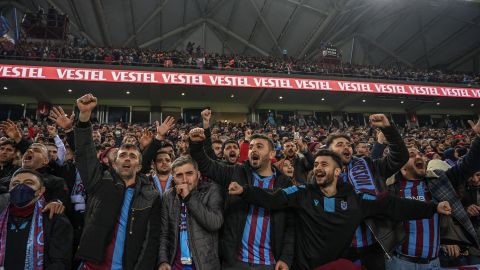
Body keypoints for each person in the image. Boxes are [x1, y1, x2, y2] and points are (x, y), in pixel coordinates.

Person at [228, 150, 452, 270]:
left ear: (338, 172)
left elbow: (393, 206)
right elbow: (273, 199)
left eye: (324, 165)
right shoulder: (301, 193)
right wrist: (245, 191)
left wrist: (433, 207)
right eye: (315, 165)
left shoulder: (356, 200)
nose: (317, 168)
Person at [74, 94, 161, 269]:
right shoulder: (99, 181)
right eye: (122, 155)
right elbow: (85, 154)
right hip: (91, 265)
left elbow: (151, 240)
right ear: (115, 163)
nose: (127, 159)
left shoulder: (151, 195)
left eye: (132, 156)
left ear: (139, 165)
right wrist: (84, 118)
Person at [189, 128, 294, 270]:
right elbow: (207, 166)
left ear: (272, 154)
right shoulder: (236, 172)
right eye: (251, 147)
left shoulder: (285, 183)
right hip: (235, 261)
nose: (253, 150)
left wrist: (286, 258)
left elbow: (290, 225)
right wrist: (196, 145)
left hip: (270, 263)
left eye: (259, 146)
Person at [386, 118, 480, 270]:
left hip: (433, 263)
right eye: (411, 155)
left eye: (420, 154)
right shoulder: (390, 187)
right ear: (402, 167)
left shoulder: (439, 180)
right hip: (399, 262)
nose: (419, 156)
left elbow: (468, 166)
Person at [326, 114, 409, 270]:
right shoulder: (320, 175)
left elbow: (400, 157)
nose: (346, 147)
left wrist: (388, 129)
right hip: (339, 248)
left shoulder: (370, 166)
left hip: (373, 246)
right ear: (328, 150)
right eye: (339, 144)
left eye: (348, 144)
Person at [158, 156, 223, 270]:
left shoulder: (212, 190)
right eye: (179, 175)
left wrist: (189, 197)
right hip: (175, 265)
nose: (184, 180)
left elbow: (214, 223)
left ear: (198, 175)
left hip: (204, 265)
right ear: (173, 178)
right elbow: (164, 234)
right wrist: (163, 261)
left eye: (189, 173)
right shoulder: (168, 196)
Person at [0, 168, 73, 269]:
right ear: (9, 189)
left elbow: (60, 263)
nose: (20, 187)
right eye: (15, 183)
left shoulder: (54, 218)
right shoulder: (1, 215)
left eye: (29, 183)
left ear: (41, 191)